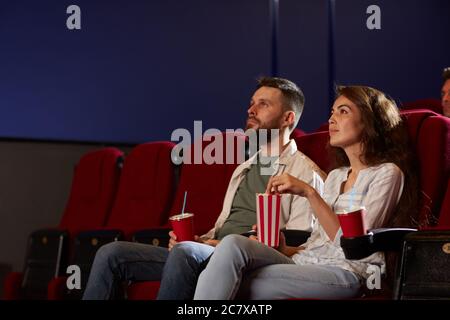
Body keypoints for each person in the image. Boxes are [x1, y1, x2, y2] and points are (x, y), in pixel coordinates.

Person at [82, 77, 326, 300]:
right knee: (111, 253)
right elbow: (224, 225)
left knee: (185, 253)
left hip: (247, 259)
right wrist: (201, 239)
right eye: (251, 103)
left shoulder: (305, 173)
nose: (250, 110)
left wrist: (214, 246)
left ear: (288, 118)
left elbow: (296, 245)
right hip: (210, 251)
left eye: (263, 104)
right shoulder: (243, 168)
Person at [194, 85, 418, 300]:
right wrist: (284, 248)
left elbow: (352, 245)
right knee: (233, 243)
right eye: (332, 112)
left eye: (343, 111)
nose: (332, 119)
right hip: (308, 262)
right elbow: (316, 243)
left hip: (351, 271)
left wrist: (309, 192)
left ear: (370, 121)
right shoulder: (336, 176)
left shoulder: (387, 173)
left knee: (232, 280)